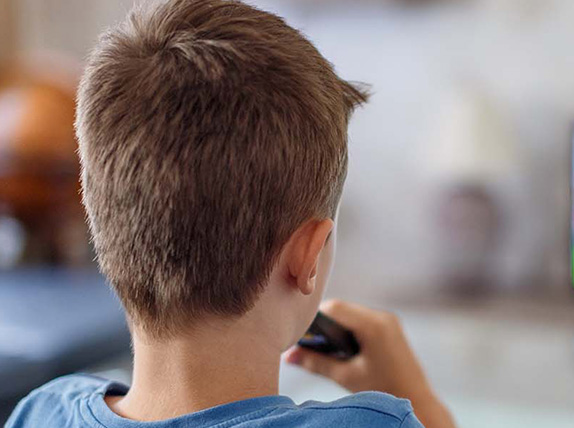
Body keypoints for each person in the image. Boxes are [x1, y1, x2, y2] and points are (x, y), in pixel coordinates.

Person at [5, 1, 456, 427]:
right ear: (308, 256)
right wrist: (417, 397)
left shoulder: (41, 411)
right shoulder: (371, 423)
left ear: (100, 218)